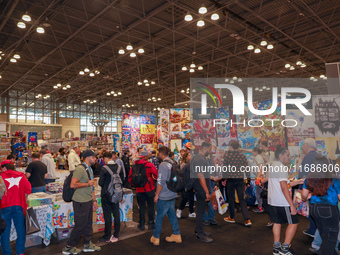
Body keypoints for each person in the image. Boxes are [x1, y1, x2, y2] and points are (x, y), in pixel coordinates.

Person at [62, 149, 101, 255]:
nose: (95, 159)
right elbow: (73, 184)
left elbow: (91, 186)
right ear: (88, 158)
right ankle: (69, 247)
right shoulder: (80, 169)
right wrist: (87, 184)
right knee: (80, 225)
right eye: (94, 157)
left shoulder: (90, 169)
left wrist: (94, 200)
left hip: (87, 200)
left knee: (88, 224)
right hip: (80, 201)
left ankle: (87, 244)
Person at [302, 155, 340, 255]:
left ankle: (328, 252)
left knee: (324, 234)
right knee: (331, 237)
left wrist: (310, 195)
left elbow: (304, 196)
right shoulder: (333, 178)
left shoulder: (309, 178)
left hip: (314, 209)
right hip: (330, 209)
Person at [268, 147, 299, 255]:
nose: (290, 157)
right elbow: (284, 187)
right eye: (288, 155)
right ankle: (285, 249)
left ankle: (276, 248)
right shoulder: (281, 167)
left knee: (277, 222)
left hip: (272, 200)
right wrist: (292, 205)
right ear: (281, 156)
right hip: (282, 201)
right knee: (294, 222)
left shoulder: (273, 165)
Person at [150, 146, 181, 246]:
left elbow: (161, 181)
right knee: (172, 214)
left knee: (159, 216)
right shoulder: (173, 162)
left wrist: (157, 194)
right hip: (173, 193)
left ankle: (156, 237)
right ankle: (176, 234)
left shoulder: (163, 165)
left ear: (160, 154)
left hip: (164, 195)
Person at [0, 160, 31, 255]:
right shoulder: (21, 175)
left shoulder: (1, 177)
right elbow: (28, 190)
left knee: (5, 230)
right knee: (20, 229)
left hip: (4, 206)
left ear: (4, 167)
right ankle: (20, 251)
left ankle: (6, 252)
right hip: (19, 205)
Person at [223, 141, 252, 227]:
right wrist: (248, 181)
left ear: (232, 147)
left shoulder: (227, 156)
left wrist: (224, 179)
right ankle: (247, 219)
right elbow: (247, 169)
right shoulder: (243, 156)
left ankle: (232, 217)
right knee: (241, 199)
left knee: (231, 199)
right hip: (240, 180)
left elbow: (225, 169)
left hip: (231, 180)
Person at [98, 152, 124, 243]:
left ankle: (107, 236)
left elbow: (100, 183)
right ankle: (116, 235)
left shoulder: (104, 169)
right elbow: (122, 181)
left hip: (106, 195)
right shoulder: (119, 168)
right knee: (116, 214)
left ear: (105, 158)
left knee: (107, 215)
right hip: (116, 194)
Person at [129, 151, 158, 230]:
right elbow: (156, 174)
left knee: (141, 207)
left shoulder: (134, 166)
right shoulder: (149, 165)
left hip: (139, 190)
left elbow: (130, 178)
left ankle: (141, 223)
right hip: (149, 189)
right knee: (151, 206)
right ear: (146, 156)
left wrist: (135, 185)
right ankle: (151, 224)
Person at [191, 142, 214, 243]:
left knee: (200, 211)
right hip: (201, 190)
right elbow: (200, 175)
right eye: (210, 149)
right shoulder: (200, 159)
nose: (210, 151)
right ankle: (200, 233)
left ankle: (199, 230)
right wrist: (206, 191)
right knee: (200, 212)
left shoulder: (198, 158)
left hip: (199, 189)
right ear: (206, 148)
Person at [299, 138, 319, 238]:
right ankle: (314, 230)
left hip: (310, 188)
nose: (302, 147)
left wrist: (300, 187)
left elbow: (303, 175)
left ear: (306, 146)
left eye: (303, 145)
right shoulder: (319, 155)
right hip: (321, 188)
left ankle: (312, 230)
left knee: (312, 210)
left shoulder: (308, 157)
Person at [177, 152, 195, 219]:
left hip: (191, 184)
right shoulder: (185, 165)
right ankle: (179, 209)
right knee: (185, 198)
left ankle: (191, 212)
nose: (191, 156)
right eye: (189, 155)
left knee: (191, 198)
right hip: (185, 184)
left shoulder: (193, 164)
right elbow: (183, 175)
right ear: (186, 157)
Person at [252, 147, 265, 213]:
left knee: (258, 193)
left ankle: (260, 207)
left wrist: (258, 177)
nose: (252, 152)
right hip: (260, 177)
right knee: (259, 193)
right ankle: (261, 206)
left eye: (253, 151)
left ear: (256, 152)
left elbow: (260, 168)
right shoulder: (258, 157)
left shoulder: (258, 157)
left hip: (259, 178)